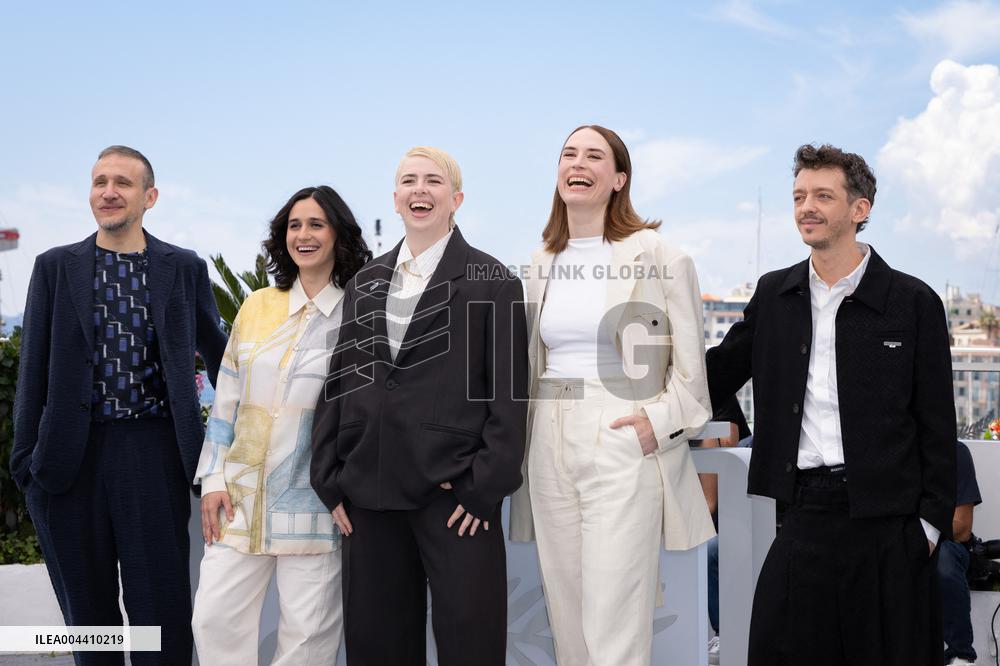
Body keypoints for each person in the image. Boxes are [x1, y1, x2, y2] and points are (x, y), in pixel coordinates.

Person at [706, 143, 956, 666]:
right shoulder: (775, 295)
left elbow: (937, 424)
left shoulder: (913, 302)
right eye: (799, 196)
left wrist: (929, 528)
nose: (806, 207)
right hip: (802, 517)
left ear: (860, 209)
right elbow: (715, 373)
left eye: (823, 195)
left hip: (890, 524)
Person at [310, 146, 528, 665]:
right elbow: (340, 379)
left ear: (456, 200)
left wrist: (482, 490)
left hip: (455, 502)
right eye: (409, 180)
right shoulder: (364, 283)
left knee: (470, 648)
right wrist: (330, 477)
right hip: (369, 496)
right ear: (396, 196)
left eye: (433, 181)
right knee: (377, 648)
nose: (419, 190)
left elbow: (509, 395)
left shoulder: (492, 282)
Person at [11, 145, 227, 665]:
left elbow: (226, 365)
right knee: (89, 623)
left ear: (149, 197)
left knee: (162, 616)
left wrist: (227, 453)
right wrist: (27, 465)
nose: (109, 192)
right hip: (68, 463)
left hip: (153, 456)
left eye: (123, 183)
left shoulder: (184, 267)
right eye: (100, 182)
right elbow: (32, 369)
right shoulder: (55, 267)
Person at [508, 125, 716, 665]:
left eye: (594, 155)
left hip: (622, 434)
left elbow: (693, 380)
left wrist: (653, 425)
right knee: (568, 616)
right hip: (549, 442)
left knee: (615, 620)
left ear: (618, 178)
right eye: (568, 153)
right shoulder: (539, 262)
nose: (579, 163)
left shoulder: (659, 254)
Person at [190, 186, 371, 664]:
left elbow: (371, 412)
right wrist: (213, 478)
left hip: (318, 504)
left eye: (316, 224)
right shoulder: (257, 306)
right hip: (240, 498)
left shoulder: (360, 312)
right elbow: (226, 397)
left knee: (307, 641)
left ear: (338, 234)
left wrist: (348, 487)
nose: (303, 235)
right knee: (214, 619)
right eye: (294, 225)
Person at [938, 441, 981, 666]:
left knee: (943, 558)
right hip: (902, 545)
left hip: (948, 545)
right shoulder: (893, 454)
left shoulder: (955, 452)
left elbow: (962, 528)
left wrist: (921, 534)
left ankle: (961, 654)